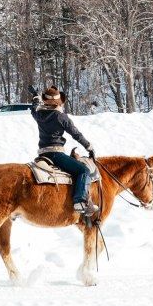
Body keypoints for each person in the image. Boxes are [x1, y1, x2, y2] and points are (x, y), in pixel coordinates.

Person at [29, 85, 99, 218]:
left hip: (43, 154)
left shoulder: (39, 114)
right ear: (58, 102)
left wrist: (35, 97)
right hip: (56, 154)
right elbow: (76, 134)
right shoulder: (61, 116)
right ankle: (80, 201)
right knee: (83, 171)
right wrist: (89, 147)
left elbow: (33, 109)